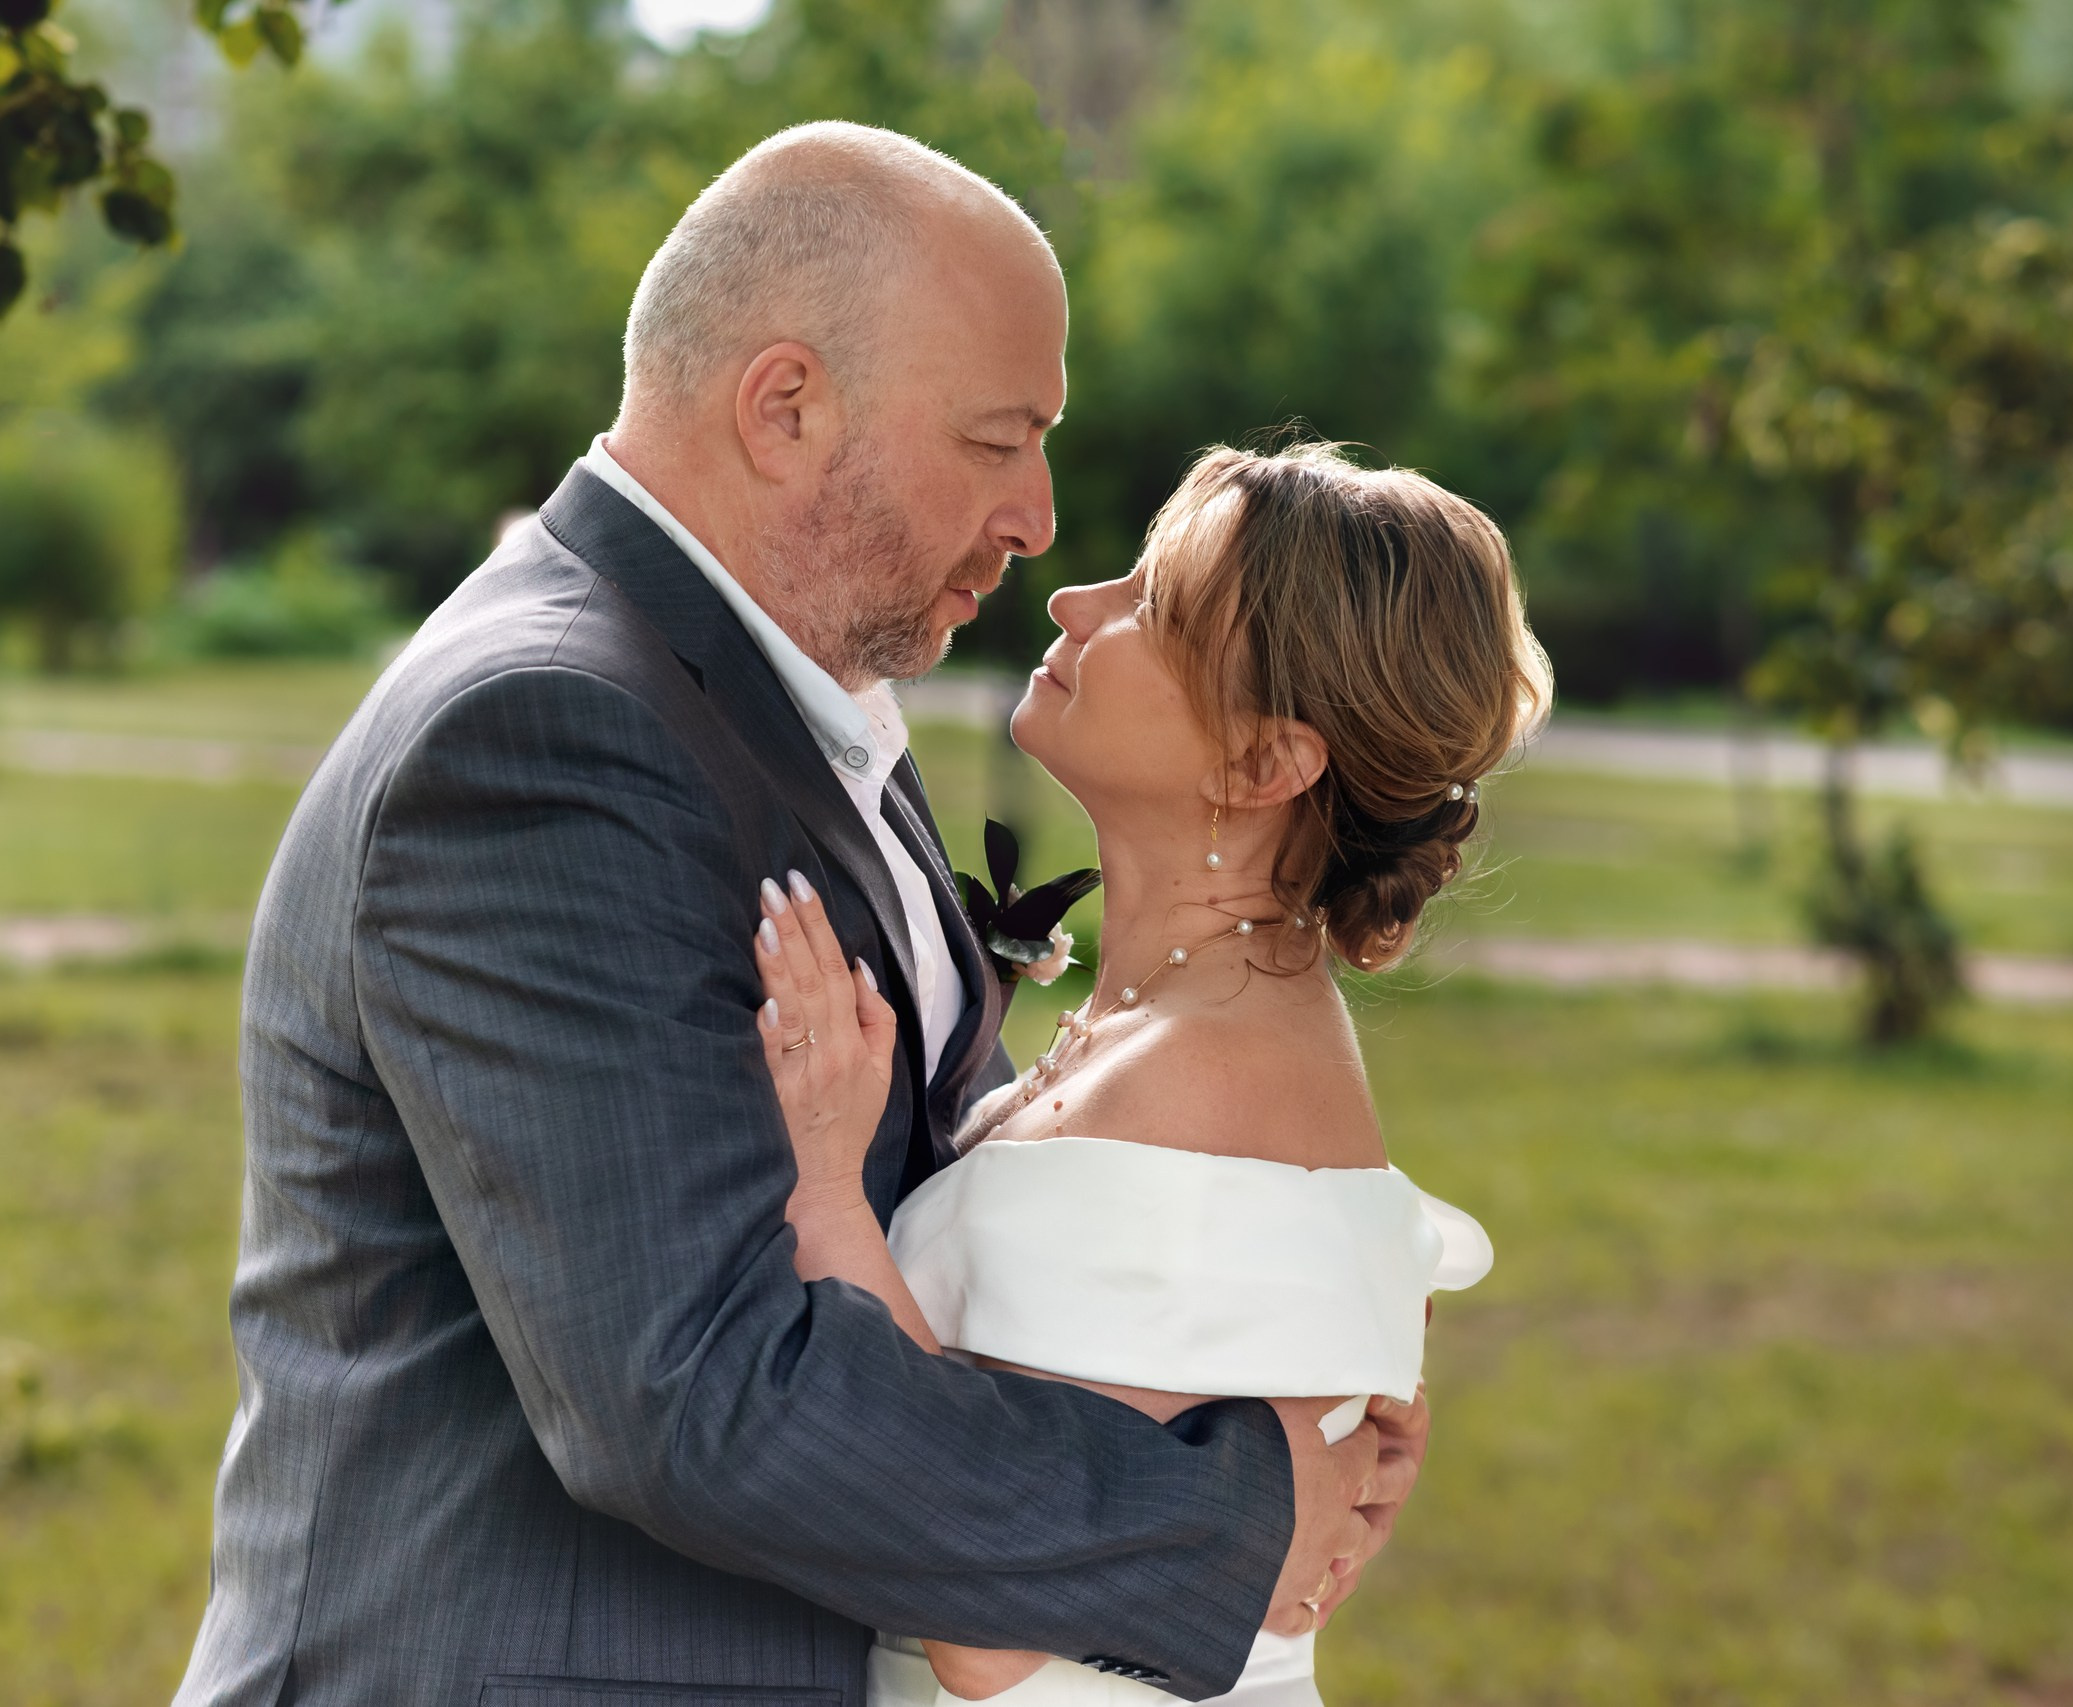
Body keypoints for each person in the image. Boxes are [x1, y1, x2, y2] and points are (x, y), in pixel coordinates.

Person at [175, 124, 1412, 1707]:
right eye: (994, 439)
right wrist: (1223, 1512)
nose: (1040, 516)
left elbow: (927, 1203)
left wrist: (1279, 1361)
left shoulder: (784, 699)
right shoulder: (548, 737)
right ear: (786, 407)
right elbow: (701, 1395)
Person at [746, 442, 1551, 1704]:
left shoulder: (1199, 1084)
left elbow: (990, 1624)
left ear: (1263, 765)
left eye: (1152, 605)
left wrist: (830, 1199)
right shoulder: (1182, 1032)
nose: (1077, 602)